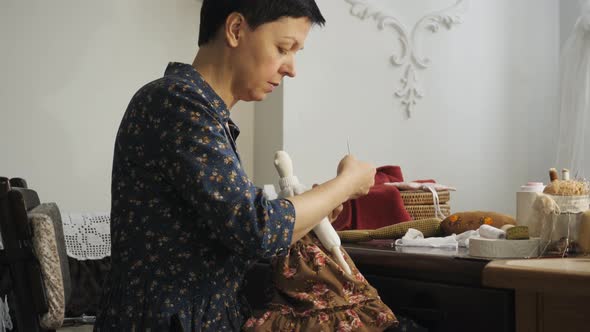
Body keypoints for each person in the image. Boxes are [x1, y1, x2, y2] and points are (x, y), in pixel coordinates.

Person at [94, 1, 376, 331]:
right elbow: (256, 230)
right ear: (236, 29)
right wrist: (345, 183)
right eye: (284, 48)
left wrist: (316, 210)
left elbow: (242, 233)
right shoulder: (178, 102)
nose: (292, 68)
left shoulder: (198, 109)